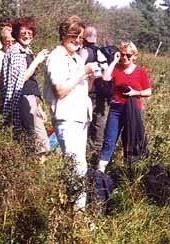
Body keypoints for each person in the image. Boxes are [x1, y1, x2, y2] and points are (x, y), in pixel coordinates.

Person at [44, 15, 100, 208]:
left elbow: (83, 88)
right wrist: (83, 72)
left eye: (80, 37)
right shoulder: (56, 57)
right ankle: (75, 215)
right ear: (63, 35)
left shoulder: (76, 58)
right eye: (73, 36)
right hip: (66, 118)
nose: (77, 41)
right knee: (74, 165)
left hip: (80, 117)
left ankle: (78, 212)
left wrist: (91, 76)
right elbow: (60, 90)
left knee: (81, 165)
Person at [0, 16, 50, 161]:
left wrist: (38, 105)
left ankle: (36, 173)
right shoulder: (15, 50)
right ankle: (38, 175)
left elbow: (32, 83)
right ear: (17, 33)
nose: (27, 35)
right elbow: (20, 79)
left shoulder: (27, 50)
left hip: (31, 99)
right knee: (38, 140)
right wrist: (37, 61)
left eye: (30, 32)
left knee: (36, 140)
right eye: (23, 32)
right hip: (22, 99)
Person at [97, 40, 151, 172]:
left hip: (133, 110)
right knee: (109, 140)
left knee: (130, 140)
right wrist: (114, 61)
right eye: (122, 54)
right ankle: (100, 171)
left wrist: (135, 93)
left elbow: (148, 91)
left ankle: (129, 171)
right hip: (116, 109)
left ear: (134, 56)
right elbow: (105, 78)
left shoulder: (140, 72)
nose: (125, 57)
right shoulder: (116, 68)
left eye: (128, 55)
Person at [78, 25, 109, 154]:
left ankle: (86, 148)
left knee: (84, 120)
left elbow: (78, 70)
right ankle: (95, 149)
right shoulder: (100, 52)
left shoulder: (83, 51)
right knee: (98, 121)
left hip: (87, 91)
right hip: (101, 91)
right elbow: (107, 74)